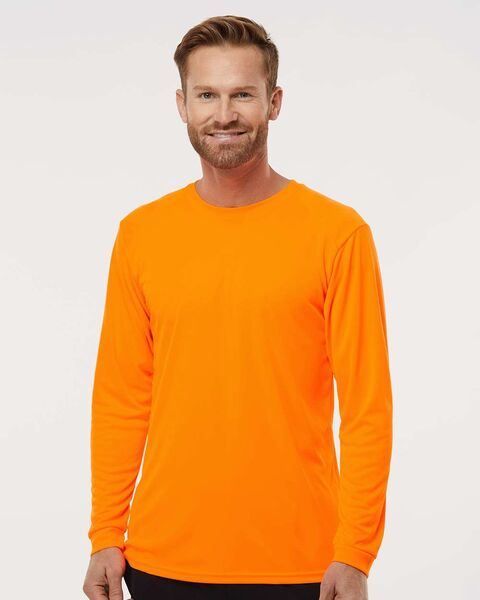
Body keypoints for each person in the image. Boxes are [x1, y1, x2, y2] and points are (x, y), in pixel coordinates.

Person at [82, 14, 393, 600]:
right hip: (161, 560)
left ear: (274, 102)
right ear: (182, 105)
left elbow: (367, 409)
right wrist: (105, 533)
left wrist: (355, 552)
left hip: (302, 565)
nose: (223, 114)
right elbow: (122, 399)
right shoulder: (142, 235)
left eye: (242, 95)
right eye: (206, 95)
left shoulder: (337, 234)